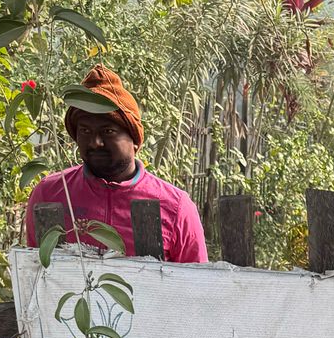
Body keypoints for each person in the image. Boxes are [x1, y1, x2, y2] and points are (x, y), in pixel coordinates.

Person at [24, 64, 208, 263]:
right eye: (85, 131)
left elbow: (196, 286)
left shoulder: (176, 206)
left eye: (108, 131)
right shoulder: (49, 194)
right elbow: (36, 278)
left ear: (135, 140)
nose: (95, 142)